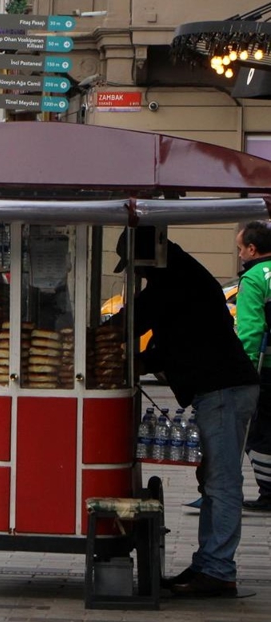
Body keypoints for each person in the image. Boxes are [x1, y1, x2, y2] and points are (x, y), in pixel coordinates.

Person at [115, 228, 258, 598]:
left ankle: (217, 570)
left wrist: (120, 351)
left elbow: (135, 321)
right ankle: (208, 562)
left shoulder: (173, 284)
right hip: (222, 388)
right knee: (212, 479)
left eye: (138, 268)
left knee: (222, 482)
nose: (140, 275)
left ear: (149, 259)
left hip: (224, 389)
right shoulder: (183, 275)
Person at [236, 221, 271, 512]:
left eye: (240, 249)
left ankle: (268, 491)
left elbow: (250, 329)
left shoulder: (254, 278)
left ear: (252, 248)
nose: (239, 255)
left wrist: (242, 367)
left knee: (259, 431)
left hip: (266, 366)